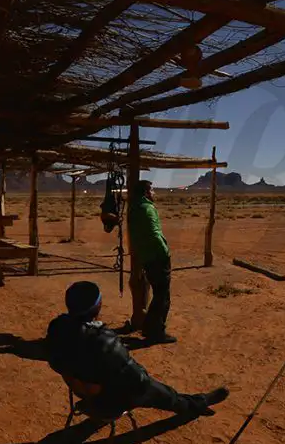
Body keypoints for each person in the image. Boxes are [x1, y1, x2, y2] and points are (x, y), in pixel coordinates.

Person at [47, 281, 229, 418]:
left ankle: (194, 402)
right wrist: (144, 378)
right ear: (97, 306)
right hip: (110, 400)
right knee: (157, 391)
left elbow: (54, 361)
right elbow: (138, 380)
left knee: (131, 381)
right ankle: (196, 404)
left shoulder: (58, 328)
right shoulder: (103, 340)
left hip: (82, 391)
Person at [127, 179, 175, 343]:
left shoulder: (134, 208)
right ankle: (156, 332)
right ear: (146, 192)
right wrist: (165, 253)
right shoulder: (147, 208)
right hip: (157, 257)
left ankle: (149, 327)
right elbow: (154, 234)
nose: (154, 193)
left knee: (159, 294)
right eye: (152, 190)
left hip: (146, 256)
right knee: (162, 296)